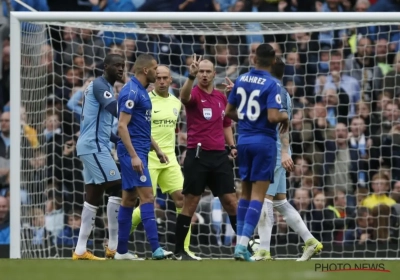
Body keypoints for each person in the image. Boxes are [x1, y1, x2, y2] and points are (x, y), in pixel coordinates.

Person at [251, 57, 323, 262]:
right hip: (276, 150)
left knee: (264, 199)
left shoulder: (276, 91)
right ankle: (310, 241)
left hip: (272, 152)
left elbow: (284, 124)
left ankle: (263, 250)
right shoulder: (279, 90)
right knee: (280, 201)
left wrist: (283, 151)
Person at [225, 43, 289, 262]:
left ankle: (240, 243)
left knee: (245, 193)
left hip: (243, 140)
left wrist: (247, 121)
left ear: (254, 59)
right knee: (258, 197)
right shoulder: (273, 83)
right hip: (263, 142)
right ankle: (242, 247)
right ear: (272, 61)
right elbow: (273, 117)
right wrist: (285, 117)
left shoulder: (241, 79)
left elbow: (228, 112)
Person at [130, 65, 201, 260]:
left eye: (165, 78)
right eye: (158, 78)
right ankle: (119, 241)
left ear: (171, 80)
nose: (161, 81)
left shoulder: (176, 103)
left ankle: (183, 250)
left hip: (169, 160)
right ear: (153, 80)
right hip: (149, 159)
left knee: (183, 200)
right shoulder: (145, 101)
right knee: (147, 202)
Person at [172, 55, 238, 261]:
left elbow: (226, 124)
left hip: (219, 156)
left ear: (214, 74)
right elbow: (183, 99)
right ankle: (179, 251)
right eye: (201, 71)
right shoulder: (192, 93)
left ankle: (245, 245)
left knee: (231, 202)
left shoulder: (221, 97)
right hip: (197, 155)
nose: (204, 74)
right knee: (190, 203)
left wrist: (232, 146)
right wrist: (189, 77)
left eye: (208, 71)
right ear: (197, 73)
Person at [116, 54, 173, 260]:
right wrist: (134, 156)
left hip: (140, 149)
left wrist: (156, 149)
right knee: (148, 197)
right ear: (146, 70)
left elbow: (139, 126)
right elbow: (122, 126)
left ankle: (121, 251)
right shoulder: (131, 92)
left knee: (129, 198)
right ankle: (156, 249)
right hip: (132, 152)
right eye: (155, 68)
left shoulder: (141, 91)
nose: (158, 72)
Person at [73, 54, 125, 260]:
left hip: (94, 144)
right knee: (118, 186)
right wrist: (136, 115)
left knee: (93, 197)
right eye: (117, 66)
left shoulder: (103, 87)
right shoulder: (100, 85)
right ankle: (113, 245)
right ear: (106, 67)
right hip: (94, 147)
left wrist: (117, 138)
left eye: (123, 66)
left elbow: (98, 123)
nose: (121, 69)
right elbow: (115, 110)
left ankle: (80, 250)